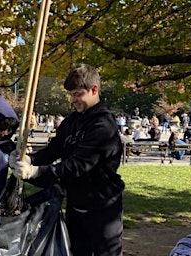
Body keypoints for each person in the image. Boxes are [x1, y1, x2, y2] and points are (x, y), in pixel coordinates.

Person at [10, 64, 124, 256]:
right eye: (71, 94)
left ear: (94, 90)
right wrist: (29, 159)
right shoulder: (72, 120)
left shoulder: (103, 125)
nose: (73, 100)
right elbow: (54, 150)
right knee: (78, 252)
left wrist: (35, 172)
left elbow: (78, 165)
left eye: (78, 94)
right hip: (76, 202)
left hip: (102, 207)